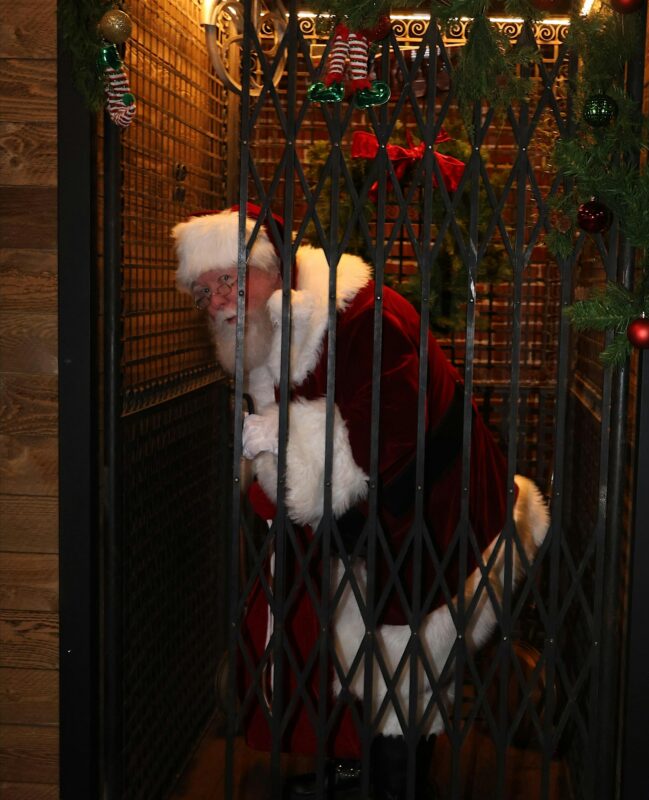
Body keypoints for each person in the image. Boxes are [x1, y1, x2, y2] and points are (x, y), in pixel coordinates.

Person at [173, 204, 549, 799]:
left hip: (432, 510)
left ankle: (394, 786)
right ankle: (362, 771)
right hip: (372, 523)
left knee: (406, 655)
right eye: (203, 292)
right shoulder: (276, 327)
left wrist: (290, 438)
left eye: (229, 279)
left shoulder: (361, 314)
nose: (218, 301)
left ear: (274, 266)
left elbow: (394, 428)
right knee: (360, 648)